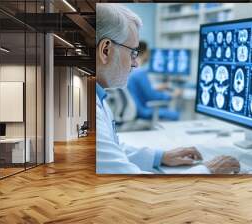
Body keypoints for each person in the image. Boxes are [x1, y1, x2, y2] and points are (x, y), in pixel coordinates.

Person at [96, 3, 240, 174]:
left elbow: (113, 151)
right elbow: (135, 188)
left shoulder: (98, 98)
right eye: (132, 53)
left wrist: (160, 156)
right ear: (105, 50)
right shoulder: (90, 111)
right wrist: (206, 171)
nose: (135, 63)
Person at [127, 41, 179, 121]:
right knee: (175, 115)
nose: (149, 55)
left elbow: (141, 90)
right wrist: (171, 96)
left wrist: (156, 88)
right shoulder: (140, 72)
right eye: (148, 52)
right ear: (144, 53)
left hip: (136, 108)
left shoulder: (133, 70)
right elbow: (151, 95)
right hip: (142, 111)